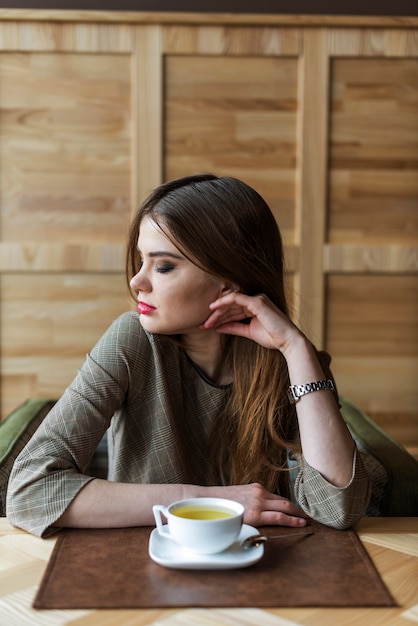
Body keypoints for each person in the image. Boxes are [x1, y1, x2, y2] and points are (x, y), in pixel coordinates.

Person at [7, 174, 370, 538]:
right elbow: (29, 491)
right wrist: (209, 503)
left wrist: (295, 347)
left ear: (228, 283)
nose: (137, 281)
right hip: (140, 565)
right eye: (141, 260)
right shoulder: (131, 340)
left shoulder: (291, 363)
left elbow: (338, 508)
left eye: (162, 266)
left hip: (260, 570)